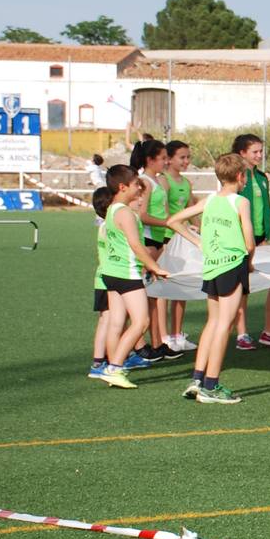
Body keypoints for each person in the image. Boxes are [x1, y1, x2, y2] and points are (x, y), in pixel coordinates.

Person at [167, 153, 255, 404]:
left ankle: (197, 379)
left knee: (213, 322)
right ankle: (211, 385)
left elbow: (173, 221)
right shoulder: (240, 202)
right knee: (224, 325)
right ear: (240, 177)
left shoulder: (210, 200)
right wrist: (249, 264)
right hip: (232, 265)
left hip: (213, 267)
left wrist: (201, 244)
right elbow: (249, 242)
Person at [99, 164, 170, 383]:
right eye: (135, 185)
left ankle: (113, 366)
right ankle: (115, 367)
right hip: (127, 274)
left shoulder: (111, 210)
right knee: (141, 322)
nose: (139, 188)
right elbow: (136, 245)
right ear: (122, 187)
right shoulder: (126, 214)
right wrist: (154, 266)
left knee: (117, 323)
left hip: (111, 273)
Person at [231, 134, 270, 350]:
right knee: (242, 288)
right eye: (255, 152)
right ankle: (242, 334)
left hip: (261, 240)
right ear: (242, 153)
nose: (259, 155)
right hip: (241, 240)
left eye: (261, 151)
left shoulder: (262, 178)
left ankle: (269, 331)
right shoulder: (235, 178)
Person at [131, 139, 178, 363]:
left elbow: (165, 211)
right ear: (150, 160)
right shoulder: (145, 182)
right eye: (162, 158)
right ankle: (138, 346)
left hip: (159, 241)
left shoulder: (159, 181)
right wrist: (169, 223)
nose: (166, 161)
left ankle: (158, 343)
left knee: (155, 295)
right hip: (149, 240)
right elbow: (142, 216)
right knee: (142, 296)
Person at [87, 186, 134, 388]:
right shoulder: (110, 226)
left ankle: (102, 361)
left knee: (108, 320)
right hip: (109, 276)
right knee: (109, 320)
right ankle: (102, 362)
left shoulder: (105, 225)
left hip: (104, 277)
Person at [164, 140, 197, 354]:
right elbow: (165, 214)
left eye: (188, 157)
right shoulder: (164, 182)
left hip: (183, 240)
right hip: (168, 239)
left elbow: (192, 211)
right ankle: (164, 337)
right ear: (169, 159)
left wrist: (199, 230)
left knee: (181, 290)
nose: (186, 161)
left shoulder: (186, 183)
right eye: (182, 157)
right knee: (165, 291)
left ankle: (177, 334)